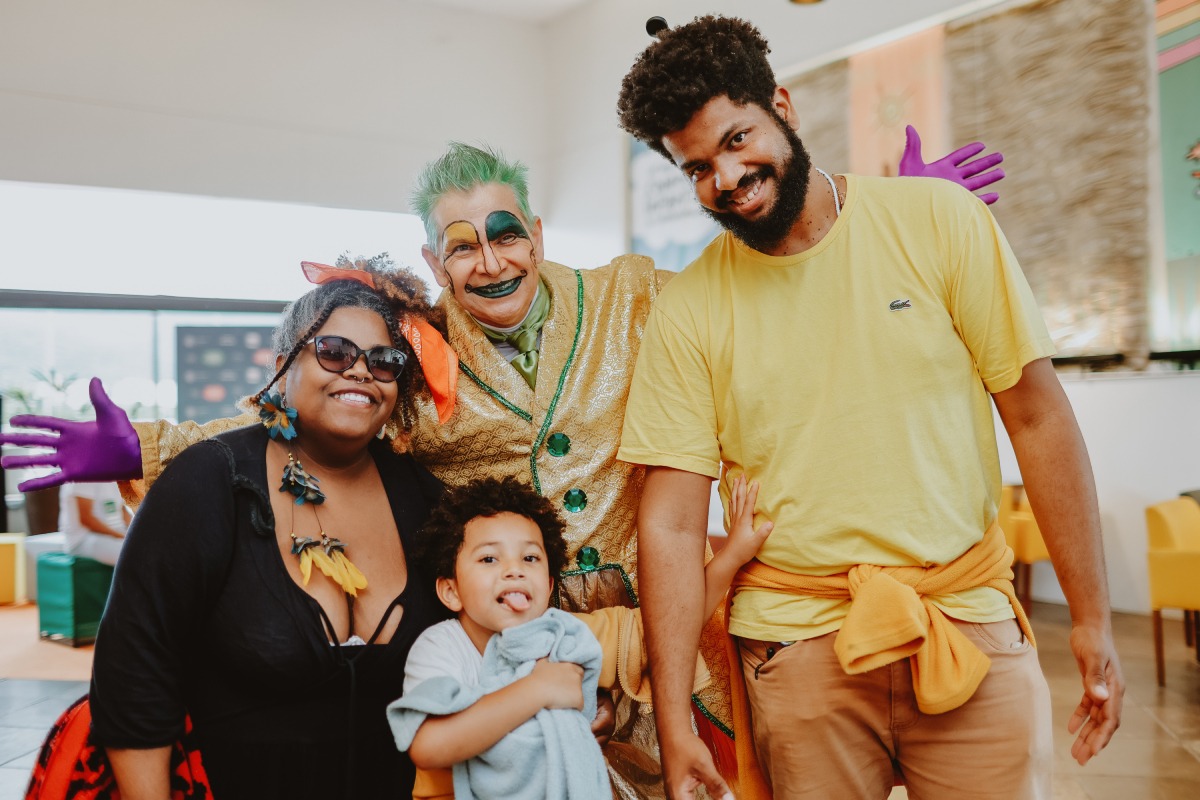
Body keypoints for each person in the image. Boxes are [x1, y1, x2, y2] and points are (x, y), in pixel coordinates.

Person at [1, 139, 1004, 798]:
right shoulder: (416, 359)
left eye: (506, 232)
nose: (490, 261)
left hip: (665, 642)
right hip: (507, 654)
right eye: (462, 245)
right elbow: (310, 403)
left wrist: (875, 232)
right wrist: (146, 444)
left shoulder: (634, 297)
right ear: (436, 262)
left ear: (538, 231)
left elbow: (762, 292)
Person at [614, 15, 1123, 800]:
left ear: (782, 106)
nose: (728, 178)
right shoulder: (690, 308)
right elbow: (673, 524)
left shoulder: (941, 219)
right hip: (795, 646)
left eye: (738, 139)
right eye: (699, 167)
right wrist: (676, 722)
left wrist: (1090, 617)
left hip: (964, 619)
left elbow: (1037, 417)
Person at [88, 260, 451, 800]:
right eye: (334, 352)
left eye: (384, 361)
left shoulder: (425, 499)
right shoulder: (209, 479)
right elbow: (133, 672)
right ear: (283, 367)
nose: (360, 371)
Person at [388, 474, 770, 800]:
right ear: (451, 590)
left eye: (530, 558)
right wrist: (538, 690)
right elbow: (428, 747)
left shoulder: (568, 637)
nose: (513, 570)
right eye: (489, 559)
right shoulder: (442, 647)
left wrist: (732, 555)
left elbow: (669, 626)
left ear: (548, 584)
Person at [58, 480, 130, 565]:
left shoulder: (116, 478)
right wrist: (122, 536)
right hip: (82, 540)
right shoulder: (82, 476)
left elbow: (122, 510)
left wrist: (132, 533)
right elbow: (87, 519)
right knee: (134, 555)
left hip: (113, 535)